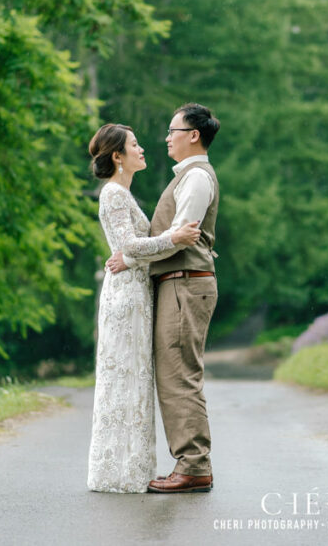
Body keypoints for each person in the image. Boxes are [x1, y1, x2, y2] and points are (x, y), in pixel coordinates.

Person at [106, 103, 220, 493]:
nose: (166, 137)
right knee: (174, 375)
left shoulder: (197, 179)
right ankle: (190, 463)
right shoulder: (185, 177)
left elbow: (180, 236)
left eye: (172, 130)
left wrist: (131, 253)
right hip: (177, 282)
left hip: (185, 281)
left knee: (179, 377)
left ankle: (193, 466)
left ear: (193, 135)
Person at [86, 123, 201, 493]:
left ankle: (132, 466)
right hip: (125, 299)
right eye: (134, 145)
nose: (143, 149)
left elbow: (131, 251)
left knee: (135, 377)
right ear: (117, 156)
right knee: (124, 377)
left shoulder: (124, 194)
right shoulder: (113, 195)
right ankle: (117, 471)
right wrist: (174, 237)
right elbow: (130, 245)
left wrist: (135, 255)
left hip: (137, 293)